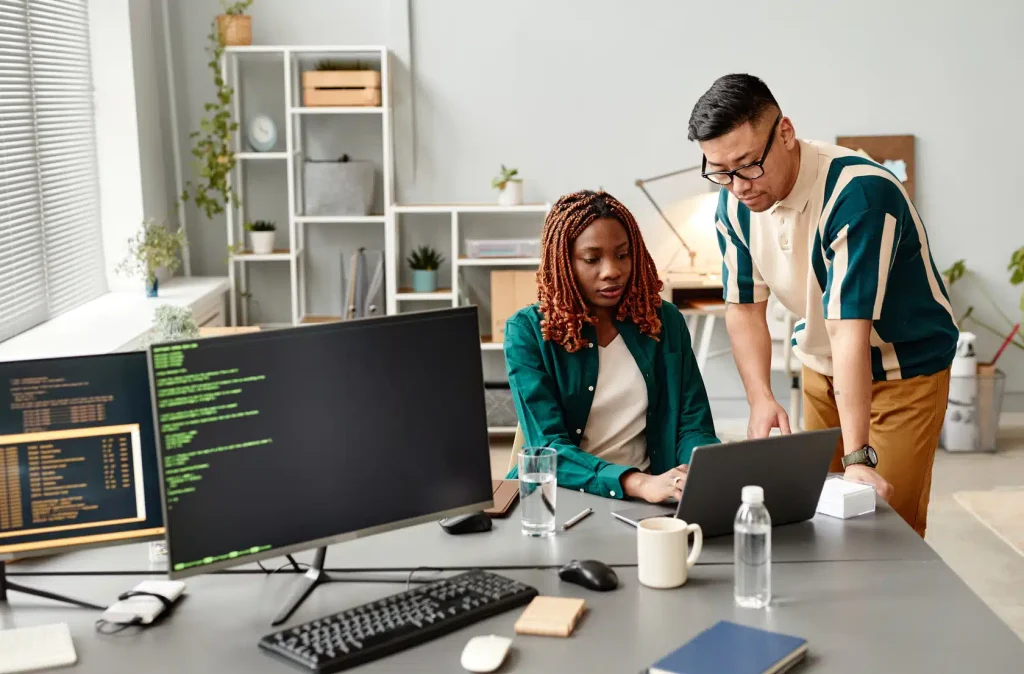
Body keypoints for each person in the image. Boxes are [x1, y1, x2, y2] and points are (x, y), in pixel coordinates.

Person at [687, 74, 957, 537]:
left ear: (785, 133)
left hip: (904, 371)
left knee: (884, 526)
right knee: (813, 517)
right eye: (720, 171)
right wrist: (760, 398)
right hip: (822, 370)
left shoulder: (860, 194)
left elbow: (847, 330)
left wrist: (858, 457)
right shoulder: (734, 206)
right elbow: (744, 308)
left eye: (748, 165)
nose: (737, 186)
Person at [504, 189, 719, 504]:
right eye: (592, 259)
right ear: (564, 262)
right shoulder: (527, 332)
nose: (612, 271)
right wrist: (636, 482)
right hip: (562, 496)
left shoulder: (664, 321)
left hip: (654, 496)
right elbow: (547, 447)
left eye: (622, 254)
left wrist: (699, 472)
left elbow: (692, 422)